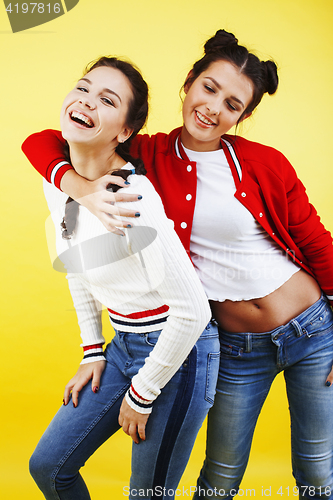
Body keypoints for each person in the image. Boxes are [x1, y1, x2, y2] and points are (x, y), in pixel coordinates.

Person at [22, 30, 333, 500]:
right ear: (189, 84)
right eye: (209, 88)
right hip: (236, 345)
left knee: (317, 472)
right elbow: (48, 139)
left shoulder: (264, 164)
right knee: (219, 478)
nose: (213, 107)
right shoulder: (146, 154)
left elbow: (315, 241)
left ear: (242, 117)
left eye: (232, 104)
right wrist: (76, 187)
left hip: (312, 331)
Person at [24, 56, 220, 500]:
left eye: (106, 100)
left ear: (124, 132)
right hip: (124, 344)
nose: (86, 101)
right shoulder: (58, 181)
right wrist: (93, 349)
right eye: (83, 87)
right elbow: (77, 263)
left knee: (147, 494)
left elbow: (192, 312)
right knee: (49, 468)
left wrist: (142, 392)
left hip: (179, 352)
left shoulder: (131, 199)